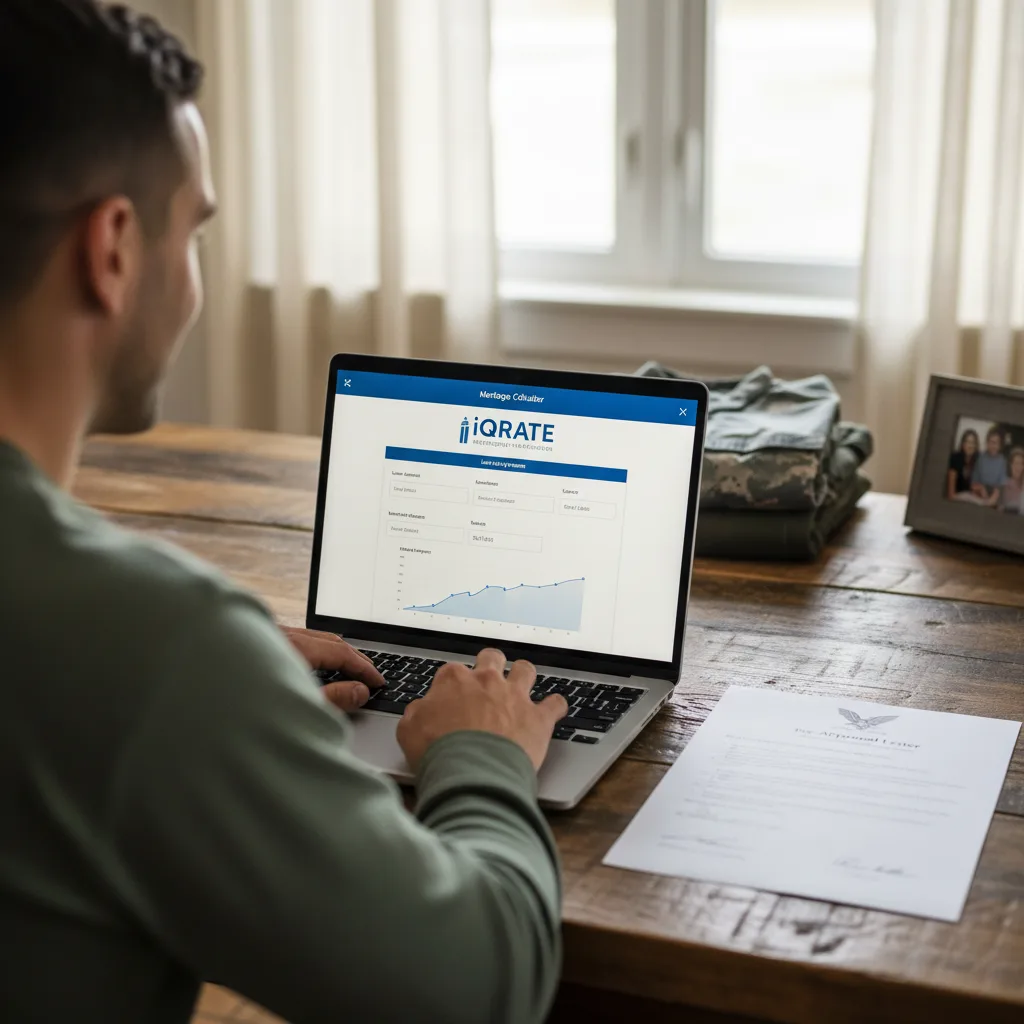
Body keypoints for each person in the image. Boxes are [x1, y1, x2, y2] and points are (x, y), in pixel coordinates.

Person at [0, 4, 569, 1023]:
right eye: (198, 229)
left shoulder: (137, 649)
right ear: (115, 249)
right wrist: (481, 753)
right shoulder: (151, 647)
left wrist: (220, 690)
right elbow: (482, 988)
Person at [970, 427, 1007, 506]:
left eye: (996, 443)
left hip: (995, 495)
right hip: (980, 494)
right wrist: (981, 489)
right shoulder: (981, 458)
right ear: (987, 443)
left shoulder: (1002, 461)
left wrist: (991, 500)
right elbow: (974, 483)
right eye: (991, 442)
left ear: (1000, 445)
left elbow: (1001, 486)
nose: (993, 445)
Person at [946, 428, 979, 500]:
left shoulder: (978, 461)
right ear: (963, 444)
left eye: (973, 443)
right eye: (968, 442)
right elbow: (950, 494)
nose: (970, 445)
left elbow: (976, 490)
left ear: (976, 446)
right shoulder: (955, 458)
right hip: (955, 500)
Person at [999, 447, 1024, 513]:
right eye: (1015, 463)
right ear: (1010, 465)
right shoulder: (1004, 485)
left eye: (1021, 464)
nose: (1018, 467)